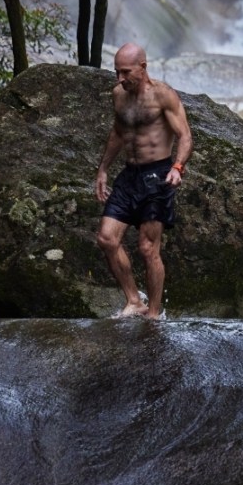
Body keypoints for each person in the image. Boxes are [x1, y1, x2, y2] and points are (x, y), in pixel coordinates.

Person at [95, 43, 193, 319]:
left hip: (158, 174)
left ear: (143, 67)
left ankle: (153, 313)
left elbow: (185, 135)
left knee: (148, 248)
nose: (120, 79)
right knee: (106, 238)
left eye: (125, 72)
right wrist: (103, 169)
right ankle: (133, 300)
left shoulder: (163, 95)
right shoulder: (119, 95)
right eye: (116, 72)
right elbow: (118, 131)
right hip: (130, 174)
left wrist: (177, 167)